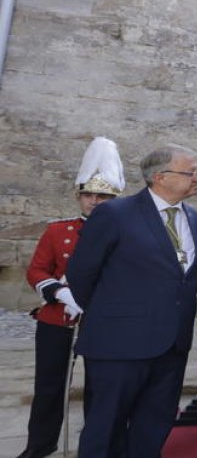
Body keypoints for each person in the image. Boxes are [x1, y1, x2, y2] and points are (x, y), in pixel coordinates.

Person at [67, 144, 197, 457]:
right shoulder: (115, 214)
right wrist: (113, 314)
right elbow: (81, 273)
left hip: (172, 346)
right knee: (105, 429)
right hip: (119, 344)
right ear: (160, 177)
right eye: (191, 172)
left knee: (153, 426)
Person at [19, 138, 123, 458]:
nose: (94, 201)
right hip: (58, 318)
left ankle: (96, 447)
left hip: (103, 321)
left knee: (100, 388)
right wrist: (60, 292)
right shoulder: (57, 231)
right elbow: (37, 270)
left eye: (102, 196)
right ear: (78, 196)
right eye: (88, 194)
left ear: (114, 198)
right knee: (49, 386)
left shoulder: (125, 233)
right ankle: (40, 445)